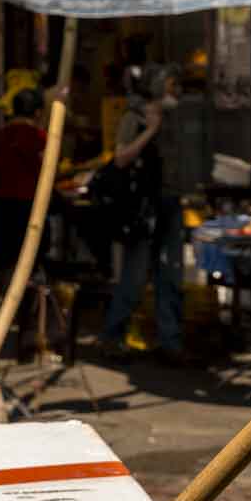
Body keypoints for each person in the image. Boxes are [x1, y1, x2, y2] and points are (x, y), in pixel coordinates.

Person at [98, 62, 184, 358]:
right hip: (144, 208)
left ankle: (170, 342)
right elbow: (121, 157)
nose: (177, 90)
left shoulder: (173, 116)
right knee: (135, 276)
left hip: (170, 203)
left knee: (170, 274)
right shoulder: (134, 116)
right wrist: (150, 130)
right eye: (172, 84)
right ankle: (112, 335)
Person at [0, 86, 49, 271]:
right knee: (29, 259)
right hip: (30, 205)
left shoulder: (1, 134)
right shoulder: (39, 136)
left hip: (3, 203)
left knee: (7, 259)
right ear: (38, 113)